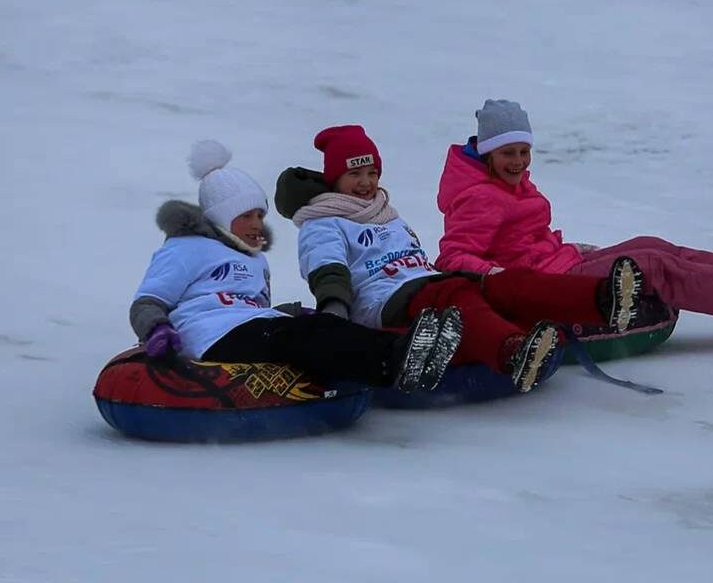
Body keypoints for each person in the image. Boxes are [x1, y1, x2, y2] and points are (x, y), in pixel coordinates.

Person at [275, 125, 646, 394]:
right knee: (458, 294)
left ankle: (603, 300)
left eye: (371, 173)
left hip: (423, 283)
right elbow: (327, 267)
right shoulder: (323, 221)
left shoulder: (384, 211)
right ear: (335, 178)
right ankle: (513, 352)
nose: (366, 183)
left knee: (506, 283)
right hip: (383, 301)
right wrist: (335, 310)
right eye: (354, 174)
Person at [128, 140, 463, 394]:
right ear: (219, 219)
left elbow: (249, 307)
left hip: (247, 326)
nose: (257, 224)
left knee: (315, 326)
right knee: (304, 335)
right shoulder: (186, 248)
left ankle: (408, 352)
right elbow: (147, 301)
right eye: (245, 216)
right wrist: (157, 329)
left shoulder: (253, 260)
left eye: (259, 215)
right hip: (210, 333)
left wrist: (289, 311)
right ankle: (395, 361)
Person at [435, 100, 713, 324]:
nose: (518, 162)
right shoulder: (480, 196)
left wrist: (563, 247)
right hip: (548, 281)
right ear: (487, 152)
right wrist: (500, 274)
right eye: (508, 153)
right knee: (654, 264)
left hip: (557, 262)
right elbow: (452, 255)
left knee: (654, 245)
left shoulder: (508, 184)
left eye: (523, 151)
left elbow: (519, 236)